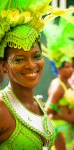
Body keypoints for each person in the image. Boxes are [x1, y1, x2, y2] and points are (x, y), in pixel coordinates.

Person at [0, 0, 73, 149]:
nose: (31, 65)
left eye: (36, 56)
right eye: (19, 59)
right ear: (3, 66)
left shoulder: (38, 104)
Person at [44, 16, 74, 150]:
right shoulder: (58, 85)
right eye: (67, 66)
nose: (71, 69)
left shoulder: (67, 83)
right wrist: (65, 116)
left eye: (71, 66)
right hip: (59, 129)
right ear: (57, 68)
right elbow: (48, 109)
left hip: (68, 130)